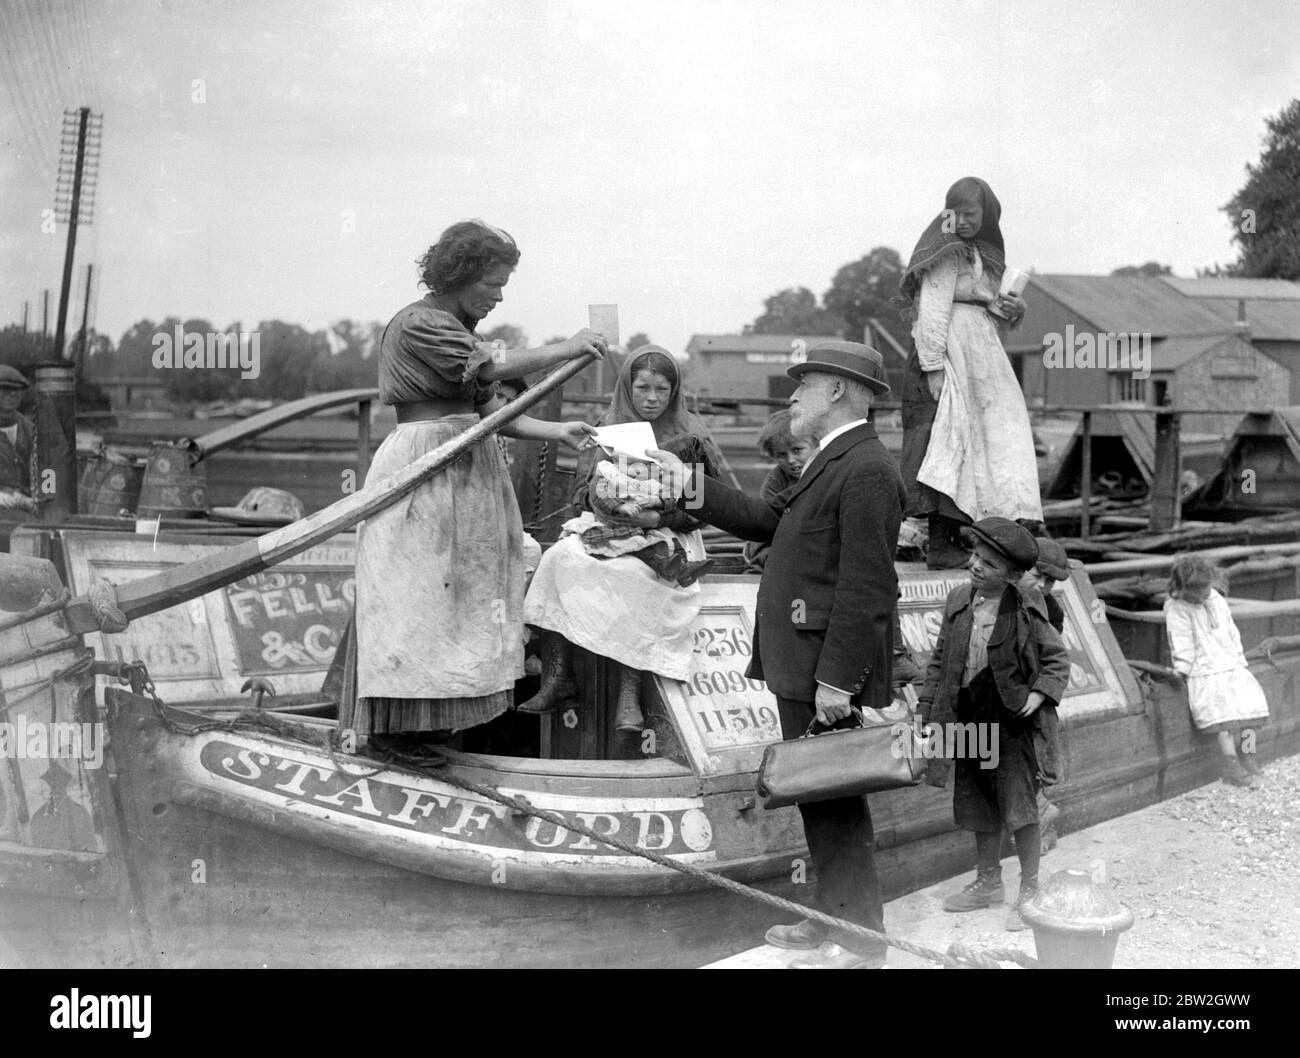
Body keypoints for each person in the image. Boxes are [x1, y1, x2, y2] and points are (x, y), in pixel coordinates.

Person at [653, 340, 905, 969]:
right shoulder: (832, 460)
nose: (792, 395)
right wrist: (688, 484)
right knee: (820, 798)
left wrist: (840, 682)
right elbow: (767, 521)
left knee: (836, 802)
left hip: (826, 669)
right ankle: (832, 921)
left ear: (840, 391)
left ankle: (861, 941)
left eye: (805, 383)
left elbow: (868, 585)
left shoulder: (868, 469)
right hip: (806, 662)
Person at [342, 219, 606, 751]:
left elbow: (492, 410)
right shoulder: (420, 323)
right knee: (418, 595)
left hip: (468, 461)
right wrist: (567, 346)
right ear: (461, 274)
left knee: (468, 597)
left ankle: (444, 732)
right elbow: (488, 371)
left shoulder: (461, 334)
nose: (499, 296)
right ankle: (400, 737)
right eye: (493, 284)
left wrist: (558, 430)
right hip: (426, 463)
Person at [521, 347, 722, 733]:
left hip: (669, 533)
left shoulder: (689, 437)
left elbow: (700, 506)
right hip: (611, 523)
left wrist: (656, 515)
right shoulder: (608, 427)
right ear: (628, 388)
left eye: (661, 389)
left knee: (633, 575)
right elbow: (580, 491)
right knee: (560, 557)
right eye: (642, 388)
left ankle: (629, 694)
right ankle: (558, 673)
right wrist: (606, 500)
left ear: (674, 390)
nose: (651, 398)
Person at [919, 518, 1070, 932]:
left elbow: (1056, 660)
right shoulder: (957, 601)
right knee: (978, 802)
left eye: (989, 563)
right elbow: (938, 664)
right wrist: (926, 714)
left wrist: (1037, 697)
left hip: (1010, 722)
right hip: (968, 715)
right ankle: (988, 882)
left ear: (1013, 575)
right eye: (974, 557)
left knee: (1019, 807)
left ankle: (1031, 889)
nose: (976, 566)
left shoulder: (1026, 605)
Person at [896, 177, 1041, 569]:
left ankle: (989, 532)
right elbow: (934, 310)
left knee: (992, 442)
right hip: (947, 352)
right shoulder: (944, 252)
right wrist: (934, 369)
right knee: (947, 441)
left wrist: (1015, 310)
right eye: (954, 213)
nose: (960, 221)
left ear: (987, 215)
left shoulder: (985, 256)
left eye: (970, 214)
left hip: (982, 356)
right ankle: (943, 542)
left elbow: (990, 311)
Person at [1164, 553, 1270, 787]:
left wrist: (1239, 658)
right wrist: (1181, 669)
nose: (1203, 595)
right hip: (1206, 669)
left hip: (1231, 665)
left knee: (1250, 713)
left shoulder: (1215, 599)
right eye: (1197, 591)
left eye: (1205, 588)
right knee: (1225, 721)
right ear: (1183, 588)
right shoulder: (1176, 608)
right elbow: (1181, 641)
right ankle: (1231, 765)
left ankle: (1248, 754)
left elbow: (1231, 631)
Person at [742, 409, 814, 572]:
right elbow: (766, 525)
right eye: (781, 455)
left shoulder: (830, 472)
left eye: (797, 450)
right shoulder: (775, 482)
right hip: (784, 546)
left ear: (816, 444)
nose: (790, 460)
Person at [0, 365, 36, 514]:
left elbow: (48, 468)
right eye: (5, 389)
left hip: (27, 510)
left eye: (17, 390)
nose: (13, 394)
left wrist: (48, 496)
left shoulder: (30, 429)